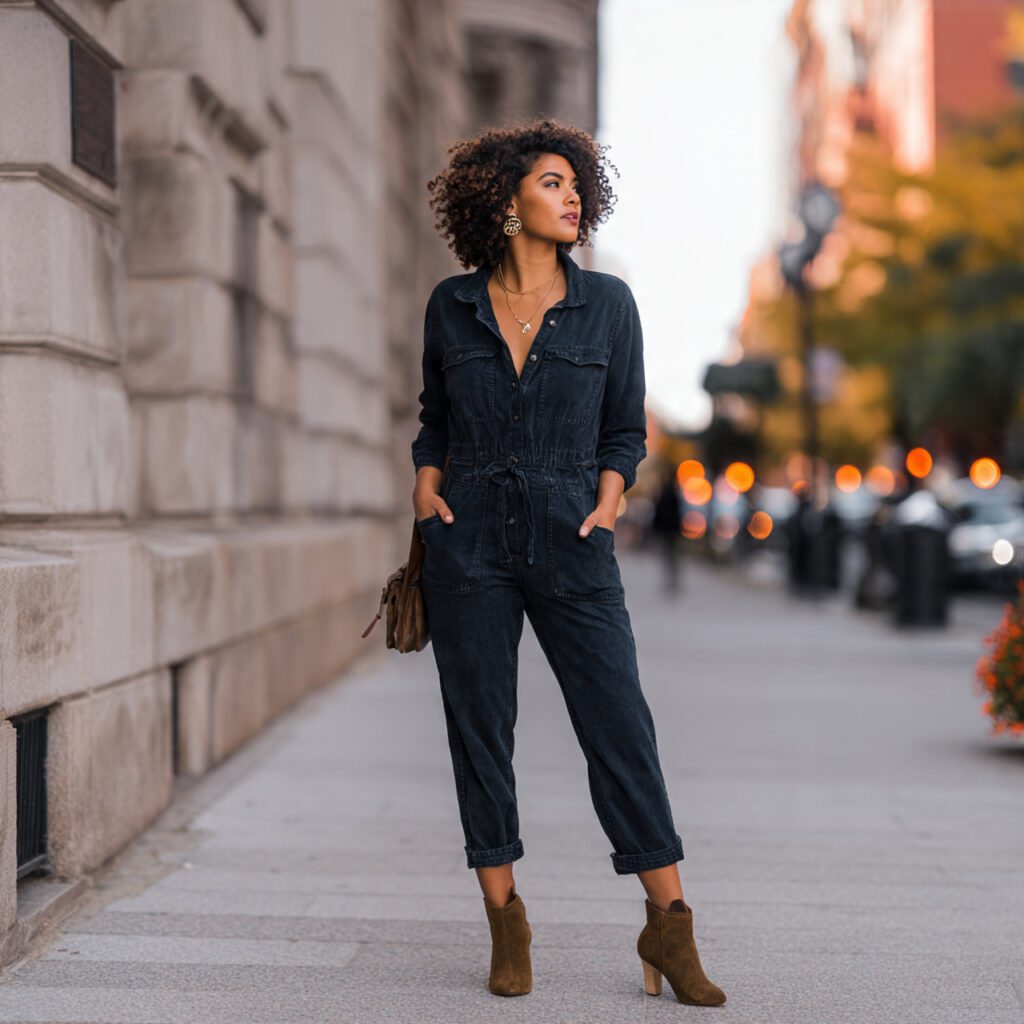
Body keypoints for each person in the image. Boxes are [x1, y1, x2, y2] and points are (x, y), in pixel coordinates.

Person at [410, 120, 725, 1007]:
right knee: (481, 731)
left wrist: (609, 498)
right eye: (552, 183)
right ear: (506, 202)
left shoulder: (608, 305)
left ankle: (669, 929)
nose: (571, 195)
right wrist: (425, 488)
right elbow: (434, 413)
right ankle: (507, 925)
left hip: (572, 537)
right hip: (466, 537)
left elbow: (626, 427)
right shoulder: (452, 305)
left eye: (576, 183)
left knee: (619, 723)